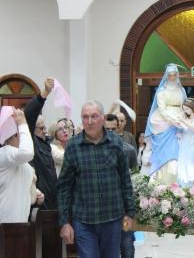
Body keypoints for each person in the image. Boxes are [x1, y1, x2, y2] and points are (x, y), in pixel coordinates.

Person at [57, 100, 135, 258]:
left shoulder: (116, 143)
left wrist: (130, 214)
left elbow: (125, 181)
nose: (90, 121)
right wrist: (64, 222)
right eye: (85, 117)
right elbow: (64, 187)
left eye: (94, 116)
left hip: (113, 219)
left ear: (103, 118)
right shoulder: (73, 146)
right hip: (84, 221)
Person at [144, 63, 186, 184]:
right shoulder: (162, 91)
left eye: (174, 75)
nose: (172, 77)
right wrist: (173, 121)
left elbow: (185, 106)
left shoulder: (181, 90)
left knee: (177, 155)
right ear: (166, 76)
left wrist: (181, 120)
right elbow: (161, 109)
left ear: (177, 75)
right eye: (170, 75)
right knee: (163, 153)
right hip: (164, 121)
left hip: (179, 121)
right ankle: (160, 180)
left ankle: (177, 182)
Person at [0, 108, 44, 222]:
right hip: (4, 224)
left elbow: (22, 191)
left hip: (20, 224)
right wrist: (23, 124)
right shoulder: (4, 153)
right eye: (23, 133)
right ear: (15, 135)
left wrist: (37, 193)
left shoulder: (24, 164)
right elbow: (27, 152)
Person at [104, 113, 137, 258]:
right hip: (103, 207)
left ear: (119, 128)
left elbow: (135, 178)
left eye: (113, 129)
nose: (110, 132)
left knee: (127, 244)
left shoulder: (129, 150)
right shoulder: (95, 150)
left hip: (123, 207)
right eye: (107, 129)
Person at [24, 78, 58, 209]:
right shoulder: (31, 143)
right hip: (39, 204)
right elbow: (29, 115)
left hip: (52, 202)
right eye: (41, 128)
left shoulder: (46, 144)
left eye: (45, 128)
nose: (45, 131)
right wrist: (44, 93)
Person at [176, 98, 194, 186]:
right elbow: (179, 130)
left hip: (193, 143)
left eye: (187, 109)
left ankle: (192, 185)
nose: (186, 111)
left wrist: (183, 120)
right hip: (183, 143)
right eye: (184, 109)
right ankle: (182, 185)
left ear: (192, 108)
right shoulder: (185, 119)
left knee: (191, 163)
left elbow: (193, 127)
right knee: (182, 162)